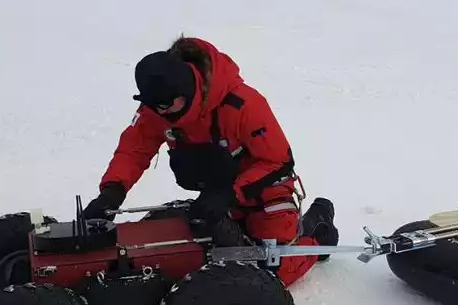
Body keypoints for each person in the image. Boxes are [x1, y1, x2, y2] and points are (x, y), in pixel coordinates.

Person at [81, 36, 339, 287]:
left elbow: (278, 161)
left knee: (269, 274)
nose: (162, 114)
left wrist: (230, 193)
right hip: (216, 195)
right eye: (155, 107)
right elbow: (133, 150)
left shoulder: (244, 105)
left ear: (187, 90)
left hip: (264, 191)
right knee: (188, 258)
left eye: (167, 106)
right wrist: (112, 192)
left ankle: (317, 230)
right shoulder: (158, 106)